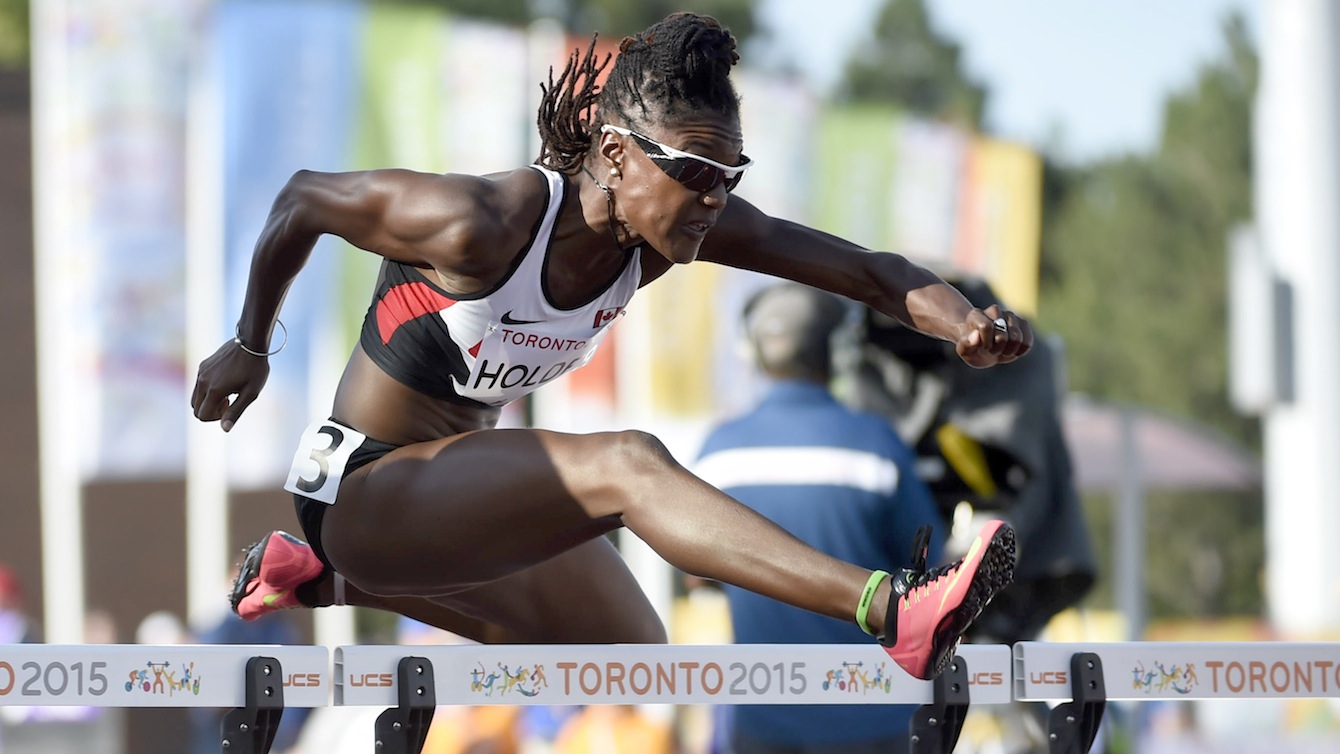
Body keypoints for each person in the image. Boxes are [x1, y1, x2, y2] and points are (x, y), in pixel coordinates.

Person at [190, 12, 1027, 682]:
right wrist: (250, 343)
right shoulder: (480, 222)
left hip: (454, 508)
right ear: (618, 155)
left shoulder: (664, 234)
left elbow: (868, 272)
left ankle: (321, 578)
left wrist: (962, 324)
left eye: (730, 177)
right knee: (628, 462)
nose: (713, 199)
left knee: (629, 659)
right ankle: (893, 611)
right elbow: (302, 199)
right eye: (696, 173)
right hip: (361, 488)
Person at [694, 283, 947, 754]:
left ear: (752, 352)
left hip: (761, 720)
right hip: (874, 715)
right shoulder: (876, 443)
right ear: (836, 352)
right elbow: (928, 571)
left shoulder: (716, 453)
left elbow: (697, 578)